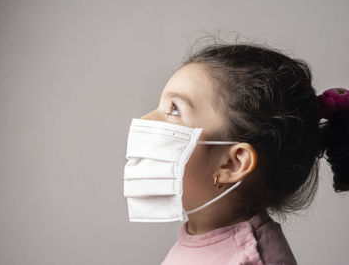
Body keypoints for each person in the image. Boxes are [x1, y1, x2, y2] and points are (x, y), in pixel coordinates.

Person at [123, 41, 349, 265]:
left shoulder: (248, 259)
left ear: (232, 163)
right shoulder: (201, 235)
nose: (145, 120)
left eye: (174, 110)